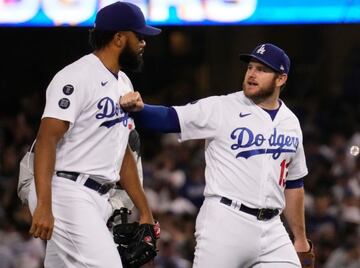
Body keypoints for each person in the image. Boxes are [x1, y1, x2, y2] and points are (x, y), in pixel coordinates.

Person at [120, 43, 313, 267]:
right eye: (250, 67)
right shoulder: (222, 107)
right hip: (225, 221)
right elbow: (169, 118)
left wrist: (299, 239)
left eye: (261, 69)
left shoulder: (291, 122)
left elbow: (294, 184)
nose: (251, 73)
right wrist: (138, 109)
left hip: (273, 228)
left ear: (281, 79)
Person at [27, 2, 161, 267]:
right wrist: (44, 204)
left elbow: (122, 153)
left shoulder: (123, 82)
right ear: (119, 38)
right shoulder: (77, 77)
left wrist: (145, 211)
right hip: (66, 191)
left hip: (98, 197)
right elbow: (46, 140)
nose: (144, 43)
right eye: (139, 36)